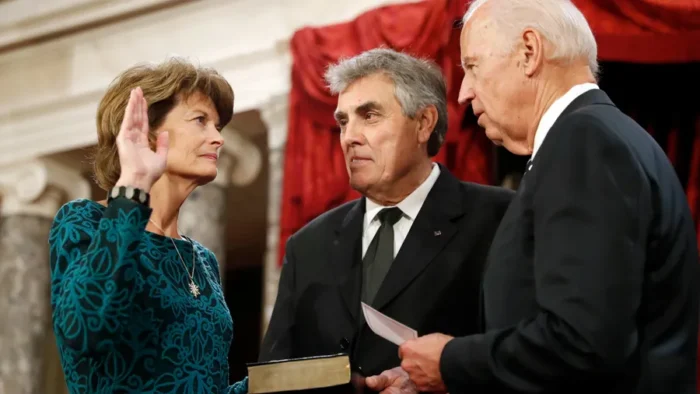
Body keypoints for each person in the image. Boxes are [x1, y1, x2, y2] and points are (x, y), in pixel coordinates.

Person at [367, 0, 700, 393]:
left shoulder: (584, 143)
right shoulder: (601, 137)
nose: (462, 93)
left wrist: (452, 363)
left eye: (472, 67)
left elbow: (583, 343)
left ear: (529, 52)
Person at [258, 48, 514, 389]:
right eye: (344, 121)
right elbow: (274, 377)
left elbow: (528, 357)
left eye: (370, 115)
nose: (350, 137)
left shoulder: (499, 218)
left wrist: (447, 381)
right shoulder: (308, 245)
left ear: (424, 123)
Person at [48, 58, 248, 393]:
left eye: (218, 126)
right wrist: (134, 185)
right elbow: (85, 328)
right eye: (201, 120)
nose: (218, 138)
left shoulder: (202, 261)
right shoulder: (86, 222)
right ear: (150, 133)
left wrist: (310, 379)